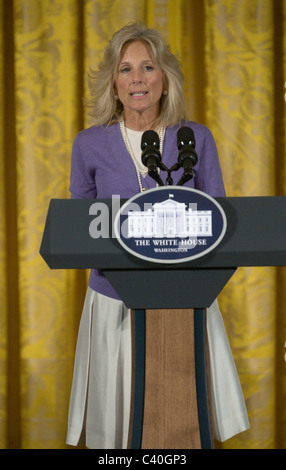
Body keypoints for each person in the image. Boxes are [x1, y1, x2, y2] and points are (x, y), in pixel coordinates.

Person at [66, 22, 249, 449]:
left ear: (164, 79)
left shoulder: (195, 139)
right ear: (113, 84)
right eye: (126, 69)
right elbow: (79, 227)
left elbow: (218, 219)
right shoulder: (89, 145)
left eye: (148, 67)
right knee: (120, 434)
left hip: (186, 296)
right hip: (114, 300)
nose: (137, 79)